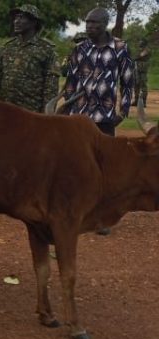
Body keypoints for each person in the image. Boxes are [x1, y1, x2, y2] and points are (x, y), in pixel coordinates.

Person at [64, 7, 134, 236]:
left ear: (105, 24)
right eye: (87, 23)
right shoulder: (79, 49)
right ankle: (75, 211)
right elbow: (71, 81)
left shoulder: (120, 49)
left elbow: (127, 81)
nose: (89, 27)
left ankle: (102, 217)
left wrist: (122, 112)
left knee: (103, 166)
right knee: (77, 163)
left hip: (104, 116)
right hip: (80, 116)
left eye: (94, 23)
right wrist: (67, 107)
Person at [0, 4, 58, 112]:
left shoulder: (46, 49)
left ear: (34, 22)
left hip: (30, 113)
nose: (16, 21)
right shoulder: (8, 47)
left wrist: (46, 115)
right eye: (16, 17)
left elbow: (50, 88)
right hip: (4, 110)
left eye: (22, 17)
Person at [134, 38, 151, 107]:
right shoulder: (140, 49)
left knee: (143, 85)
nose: (139, 43)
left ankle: (144, 102)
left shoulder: (147, 50)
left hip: (143, 70)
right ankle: (136, 101)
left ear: (144, 43)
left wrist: (133, 57)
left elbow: (139, 56)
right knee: (136, 85)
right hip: (137, 69)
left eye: (140, 42)